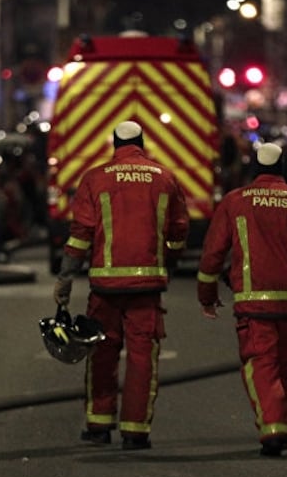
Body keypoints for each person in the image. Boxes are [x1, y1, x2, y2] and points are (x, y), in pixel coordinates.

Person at [196, 142, 287, 457]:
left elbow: (212, 255)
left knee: (261, 364)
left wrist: (206, 295)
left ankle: (274, 427)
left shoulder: (235, 202)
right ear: (282, 169)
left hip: (254, 305)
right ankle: (283, 420)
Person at [53, 120, 188, 450]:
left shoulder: (95, 178)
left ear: (114, 144)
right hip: (146, 288)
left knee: (101, 353)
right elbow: (178, 231)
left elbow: (80, 236)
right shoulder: (164, 178)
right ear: (143, 143)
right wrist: (167, 260)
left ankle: (99, 425)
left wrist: (65, 279)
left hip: (105, 289)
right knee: (143, 358)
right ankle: (135, 431)